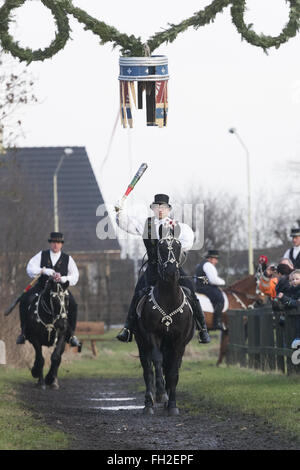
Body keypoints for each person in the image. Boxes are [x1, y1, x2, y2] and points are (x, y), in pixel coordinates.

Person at [115, 194, 210, 344]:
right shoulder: (147, 225)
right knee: (138, 292)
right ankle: (128, 329)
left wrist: (174, 247)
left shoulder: (178, 226)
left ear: (168, 209)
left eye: (163, 207)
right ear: (152, 209)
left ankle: (203, 329)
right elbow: (126, 224)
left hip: (173, 268)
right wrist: (119, 211)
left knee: (190, 291)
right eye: (157, 207)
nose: (160, 210)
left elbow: (188, 241)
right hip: (153, 269)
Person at [16, 232, 80, 347]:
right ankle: (24, 332)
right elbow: (30, 268)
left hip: (60, 290)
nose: (56, 245)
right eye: (54, 242)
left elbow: (75, 276)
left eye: (58, 242)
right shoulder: (42, 255)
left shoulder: (68, 259)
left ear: (61, 244)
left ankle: (71, 335)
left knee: (74, 305)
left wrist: (63, 278)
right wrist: (44, 271)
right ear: (50, 243)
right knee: (24, 300)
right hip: (42, 288)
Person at [194, 250, 225, 330]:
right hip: (206, 288)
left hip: (199, 287)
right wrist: (223, 282)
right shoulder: (208, 265)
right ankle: (216, 322)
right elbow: (213, 280)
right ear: (210, 258)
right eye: (216, 259)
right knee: (220, 299)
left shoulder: (199, 265)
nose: (216, 261)